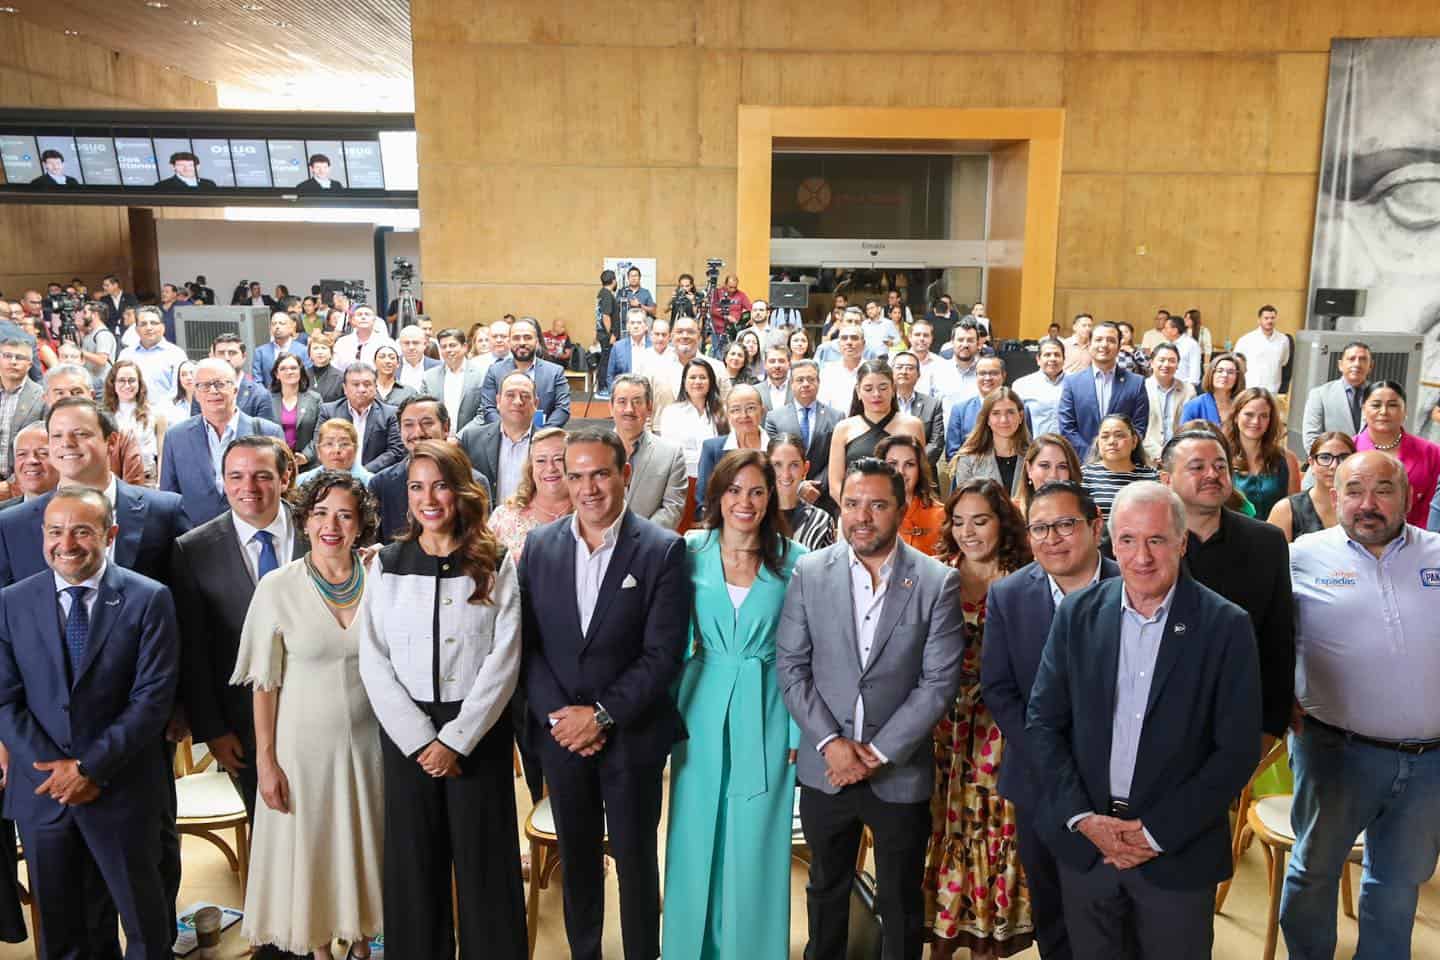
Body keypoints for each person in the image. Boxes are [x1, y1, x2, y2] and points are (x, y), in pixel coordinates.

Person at [1027, 482, 1262, 959]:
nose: (1142, 556)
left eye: (1156, 540)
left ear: (1181, 542)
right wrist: (1084, 820)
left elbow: (1236, 752)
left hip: (1176, 854)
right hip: (1088, 847)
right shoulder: (1077, 614)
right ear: (1110, 542)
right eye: (1128, 540)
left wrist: (1154, 833)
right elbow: (1044, 723)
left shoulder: (1226, 626)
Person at [777, 457, 965, 960]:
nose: (863, 516)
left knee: (901, 900)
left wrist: (875, 754)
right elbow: (792, 667)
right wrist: (831, 745)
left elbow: (938, 684)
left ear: (902, 510)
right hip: (826, 769)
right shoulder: (810, 572)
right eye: (853, 504)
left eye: (878, 505)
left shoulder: (935, 581)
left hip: (898, 772)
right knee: (825, 889)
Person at [518, 428, 689, 960]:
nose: (588, 488)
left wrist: (601, 716)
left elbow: (663, 655)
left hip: (632, 737)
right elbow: (525, 645)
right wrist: (560, 719)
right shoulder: (540, 546)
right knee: (579, 860)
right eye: (576, 475)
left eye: (599, 474)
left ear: (624, 475)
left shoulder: (663, 550)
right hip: (561, 739)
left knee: (637, 862)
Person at [359, 441, 527, 960]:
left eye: (439, 485)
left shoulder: (494, 559)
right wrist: (419, 741)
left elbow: (505, 658)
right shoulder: (387, 563)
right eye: (416, 487)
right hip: (407, 736)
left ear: (461, 491)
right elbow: (373, 659)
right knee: (414, 868)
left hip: (477, 732)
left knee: (485, 866)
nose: (428, 498)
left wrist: (455, 740)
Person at [0, 487, 179, 960]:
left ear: (110, 534)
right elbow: (4, 700)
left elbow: (151, 701)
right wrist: (58, 774)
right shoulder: (10, 603)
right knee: (63, 936)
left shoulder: (149, 598)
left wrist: (88, 769)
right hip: (44, 796)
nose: (67, 543)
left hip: (121, 789)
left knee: (145, 928)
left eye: (82, 530)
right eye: (55, 531)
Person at [1282, 450, 1440, 959]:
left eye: (1383, 490)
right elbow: (1262, 636)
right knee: (1313, 874)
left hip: (1430, 763)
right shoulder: (1301, 555)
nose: (1367, 504)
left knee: (1397, 883)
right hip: (1335, 752)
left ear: (1410, 498)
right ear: (1334, 496)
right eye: (1353, 491)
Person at [231, 472, 383, 959]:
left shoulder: (382, 578)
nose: (330, 525)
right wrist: (267, 763)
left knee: (365, 850)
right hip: (301, 753)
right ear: (304, 522)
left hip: (372, 747)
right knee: (314, 851)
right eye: (319, 514)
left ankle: (362, 947)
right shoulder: (277, 587)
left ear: (360, 525)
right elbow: (264, 685)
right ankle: (319, 951)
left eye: (344, 514)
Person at [663, 449, 803, 960]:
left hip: (769, 707)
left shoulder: (795, 561)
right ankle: (686, 948)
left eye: (757, 491)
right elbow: (673, 642)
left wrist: (797, 733)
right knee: (696, 832)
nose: (745, 502)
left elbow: (802, 654)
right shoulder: (689, 550)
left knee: (757, 841)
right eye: (734, 490)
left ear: (771, 498)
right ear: (717, 496)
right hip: (699, 704)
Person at [982, 480, 1120, 960]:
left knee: (1115, 915)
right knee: (1053, 911)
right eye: (1039, 528)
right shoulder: (1009, 596)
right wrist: (1051, 759)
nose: (1052, 538)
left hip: (1121, 786)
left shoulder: (1138, 585)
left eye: (1065, 525)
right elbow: (999, 690)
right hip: (1040, 785)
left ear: (1095, 527)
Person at [926, 477, 1034, 957]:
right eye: (960, 521)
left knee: (995, 828)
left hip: (1002, 727)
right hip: (942, 723)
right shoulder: (934, 575)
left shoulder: (1028, 578)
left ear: (1003, 523)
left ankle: (991, 933)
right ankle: (942, 930)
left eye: (981, 520)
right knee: (942, 825)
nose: (969, 531)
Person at [171, 435, 303, 821]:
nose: (249, 488)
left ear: (285, 477)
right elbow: (194, 650)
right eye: (236, 476)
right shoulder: (192, 549)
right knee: (268, 830)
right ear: (223, 481)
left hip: (325, 713)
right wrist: (213, 730)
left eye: (262, 475)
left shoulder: (320, 530)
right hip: (240, 726)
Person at [1157, 429, 1296, 750]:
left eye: (1220, 466)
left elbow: (1279, 641)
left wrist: (1271, 727)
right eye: (1197, 467)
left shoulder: (1267, 543)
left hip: (1235, 720)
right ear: (1166, 479)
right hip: (1151, 719)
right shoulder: (1140, 543)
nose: (1212, 475)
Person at [160, 358, 286, 528]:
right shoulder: (176, 437)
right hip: (195, 540)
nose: (213, 391)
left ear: (235, 389)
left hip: (255, 535)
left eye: (220, 384)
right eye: (204, 385)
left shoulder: (267, 432)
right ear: (195, 393)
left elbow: (283, 492)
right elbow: (169, 499)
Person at [370, 395, 491, 541]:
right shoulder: (381, 484)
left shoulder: (474, 481)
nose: (418, 432)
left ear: (445, 427)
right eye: (409, 425)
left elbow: (480, 542)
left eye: (427, 423)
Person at [828, 359, 927, 503]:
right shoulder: (843, 429)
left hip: (902, 512)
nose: (876, 394)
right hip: (854, 514)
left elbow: (920, 478)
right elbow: (835, 485)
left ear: (893, 389)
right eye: (868, 389)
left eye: (883, 388)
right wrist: (856, 511)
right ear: (858, 392)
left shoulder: (913, 425)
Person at [1058, 321, 1149, 463]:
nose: (1104, 345)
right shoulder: (1072, 383)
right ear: (1089, 345)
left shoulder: (1136, 383)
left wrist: (1116, 453)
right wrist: (1093, 454)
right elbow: (1067, 427)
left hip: (1122, 465)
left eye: (1111, 340)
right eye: (1098, 340)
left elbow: (1139, 427)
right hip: (1083, 464)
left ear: (1119, 347)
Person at [1354, 379, 1440, 526]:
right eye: (1376, 405)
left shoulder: (1432, 453)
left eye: (1393, 405)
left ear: (1405, 411)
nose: (1384, 411)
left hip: (1417, 540)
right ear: (1363, 409)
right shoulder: (1347, 448)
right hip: (1356, 538)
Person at [763, 359, 841, 516]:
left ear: (818, 382)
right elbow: (772, 459)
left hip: (823, 499)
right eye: (800, 380)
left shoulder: (836, 417)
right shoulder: (774, 418)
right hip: (786, 497)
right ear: (791, 384)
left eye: (811, 379)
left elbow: (835, 459)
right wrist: (800, 486)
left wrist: (815, 487)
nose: (805, 384)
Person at [610, 374, 687, 530]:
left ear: (650, 407)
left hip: (648, 546)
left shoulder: (671, 454)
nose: (629, 409)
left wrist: (638, 539)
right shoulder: (594, 451)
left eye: (637, 402)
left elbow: (672, 509)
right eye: (622, 401)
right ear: (611, 407)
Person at [657, 359, 725, 525]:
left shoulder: (723, 412)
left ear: (711, 382)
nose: (697, 382)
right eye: (692, 377)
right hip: (682, 483)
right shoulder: (672, 412)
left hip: (716, 484)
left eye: (703, 377)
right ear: (684, 382)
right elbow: (670, 452)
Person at [487, 426, 570, 558]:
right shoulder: (504, 517)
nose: (550, 468)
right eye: (541, 460)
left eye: (559, 459)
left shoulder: (589, 515)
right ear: (531, 467)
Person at [309, 363, 405, 473]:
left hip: (375, 477)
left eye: (367, 384)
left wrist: (361, 473)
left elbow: (395, 451)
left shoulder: (390, 413)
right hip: (335, 476)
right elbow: (320, 445)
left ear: (375, 387)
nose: (362, 389)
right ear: (345, 388)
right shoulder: (329, 411)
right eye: (355, 384)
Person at [1222, 387, 1301, 521]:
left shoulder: (1287, 459)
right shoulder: (1221, 458)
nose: (1256, 421)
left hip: (1273, 538)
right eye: (1249, 414)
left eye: (1263, 416)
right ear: (1236, 416)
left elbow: (1294, 513)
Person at [458, 371, 537, 502]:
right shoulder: (472, 440)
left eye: (525, 395)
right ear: (498, 401)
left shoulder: (548, 444)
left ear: (536, 403)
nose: (518, 401)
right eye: (510, 395)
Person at [478, 317, 571, 427]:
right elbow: (488, 408)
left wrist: (542, 434)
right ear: (509, 341)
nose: (522, 343)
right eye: (516, 338)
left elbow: (562, 409)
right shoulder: (494, 371)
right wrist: (508, 432)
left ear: (536, 341)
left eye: (527, 338)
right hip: (503, 437)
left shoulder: (555, 372)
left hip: (543, 437)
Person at [695, 384, 769, 522]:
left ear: (762, 410)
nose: (744, 415)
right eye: (735, 410)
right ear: (728, 414)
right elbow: (703, 503)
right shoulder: (713, 449)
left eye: (751, 408)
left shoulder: (776, 449)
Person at [1268, 432, 1356, 540]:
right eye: (1324, 458)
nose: (1334, 466)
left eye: (1343, 457)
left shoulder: (1363, 506)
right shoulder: (1286, 510)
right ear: (1311, 463)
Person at [951, 387, 1033, 500]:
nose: (1004, 420)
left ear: (1021, 416)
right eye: (996, 413)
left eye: (1010, 412)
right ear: (987, 419)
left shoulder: (1034, 456)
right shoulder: (968, 460)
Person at [103, 359, 169, 485]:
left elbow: (162, 455)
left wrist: (161, 484)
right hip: (113, 481)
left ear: (139, 383)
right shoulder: (103, 415)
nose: (127, 385)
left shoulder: (156, 414)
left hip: (147, 479)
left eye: (132, 380)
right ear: (113, 383)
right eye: (121, 380)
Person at [878, 433, 944, 555]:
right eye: (893, 464)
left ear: (920, 469)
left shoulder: (941, 514)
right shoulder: (866, 514)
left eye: (909, 464)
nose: (901, 472)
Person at [1080, 413, 1159, 516]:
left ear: (1134, 441)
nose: (1112, 441)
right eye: (1105, 436)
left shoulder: (1152, 476)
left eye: (1119, 435)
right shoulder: (1083, 475)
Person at [767, 433, 834, 550]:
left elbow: (828, 566)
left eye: (794, 465)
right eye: (777, 465)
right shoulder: (757, 515)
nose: (785, 474)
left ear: (805, 468)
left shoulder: (821, 520)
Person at [0, 333, 46, 501]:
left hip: (22, 488)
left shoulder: (41, 398)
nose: (13, 361)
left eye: (19, 357)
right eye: (7, 356)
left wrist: (11, 485)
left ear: (29, 364)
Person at [1300, 340, 1372, 447]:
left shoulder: (1379, 394)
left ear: (1370, 366)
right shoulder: (1319, 394)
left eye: (1363, 359)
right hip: (1331, 461)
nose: (1357, 364)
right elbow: (1311, 440)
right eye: (1351, 359)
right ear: (1340, 365)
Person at [117, 306, 188, 401]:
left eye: (154, 323)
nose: (149, 328)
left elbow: (183, 391)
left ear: (163, 327)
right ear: (136, 330)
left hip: (166, 413)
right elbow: (117, 385)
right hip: (132, 412)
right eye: (143, 324)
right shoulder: (126, 355)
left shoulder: (176, 354)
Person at [891, 351, 945, 472]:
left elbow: (936, 444)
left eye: (910, 368)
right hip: (888, 473)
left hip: (923, 472)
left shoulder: (932, 404)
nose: (904, 371)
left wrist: (913, 465)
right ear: (891, 372)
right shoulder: (881, 403)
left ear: (918, 374)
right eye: (899, 367)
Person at [423, 327, 486, 430]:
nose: (448, 350)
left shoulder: (481, 375)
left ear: (465, 347)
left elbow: (483, 411)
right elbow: (424, 411)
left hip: (470, 439)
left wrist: (460, 438)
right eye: (444, 346)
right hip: (438, 439)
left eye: (452, 345)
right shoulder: (429, 377)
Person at [267, 353, 323, 469]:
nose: (289, 372)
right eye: (283, 369)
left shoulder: (315, 399)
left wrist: (306, 455)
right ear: (277, 374)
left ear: (300, 372)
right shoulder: (267, 399)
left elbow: (320, 433)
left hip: (307, 465)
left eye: (293, 368)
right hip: (275, 464)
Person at [1141, 341, 1194, 463]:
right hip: (1146, 457)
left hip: (1179, 457)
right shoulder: (1141, 388)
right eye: (1162, 360)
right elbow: (1137, 426)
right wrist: (1156, 452)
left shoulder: (1188, 391)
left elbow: (1189, 427)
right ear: (1152, 363)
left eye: (1172, 360)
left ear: (1177, 365)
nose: (1166, 364)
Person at [1012, 337, 1067, 438]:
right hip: (1035, 448)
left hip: (1068, 449)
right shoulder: (1022, 385)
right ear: (1038, 359)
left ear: (1064, 359)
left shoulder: (1074, 383)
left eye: (1057, 355)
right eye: (1047, 355)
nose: (1052, 358)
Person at [1018, 434, 1084, 517]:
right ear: (1029, 469)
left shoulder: (1087, 512)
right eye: (1044, 465)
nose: (1053, 475)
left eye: (1062, 467)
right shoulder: (1010, 513)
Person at [297, 419, 373, 487]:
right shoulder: (301, 482)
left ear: (355, 449)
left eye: (344, 444)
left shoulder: (373, 484)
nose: (336, 450)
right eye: (329, 444)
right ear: (318, 450)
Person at [0, 421, 58, 510]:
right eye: (22, 454)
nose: (32, 460)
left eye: (43, 453)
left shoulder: (80, 512)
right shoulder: (3, 514)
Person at [1233, 305, 1290, 394]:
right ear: (1259, 320)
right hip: (1250, 388)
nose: (1270, 321)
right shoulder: (1246, 339)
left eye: (1272, 318)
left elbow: (1284, 361)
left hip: (1272, 389)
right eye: (1266, 318)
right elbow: (1236, 362)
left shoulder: (1284, 340)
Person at [1179, 352, 1245, 426]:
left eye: (1230, 372)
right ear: (1211, 374)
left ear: (1238, 377)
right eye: (1220, 371)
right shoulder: (1194, 406)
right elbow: (1183, 436)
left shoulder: (1242, 405)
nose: (1224, 375)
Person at [816, 320, 869, 412]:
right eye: (844, 338)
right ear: (839, 344)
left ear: (863, 344)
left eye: (854, 338)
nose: (849, 342)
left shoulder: (872, 371)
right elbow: (822, 405)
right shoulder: (828, 371)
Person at [252, 311, 311, 390]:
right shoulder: (260, 352)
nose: (277, 326)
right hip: (269, 398)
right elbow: (257, 381)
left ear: (291, 327)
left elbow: (307, 377)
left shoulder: (303, 350)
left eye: (281, 323)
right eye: (274, 324)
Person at [332, 304, 395, 370]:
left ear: (374, 320)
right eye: (359, 315)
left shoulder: (387, 343)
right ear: (352, 320)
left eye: (367, 314)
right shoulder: (342, 343)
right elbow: (336, 368)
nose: (363, 317)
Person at [607, 309, 652, 385]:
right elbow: (610, 376)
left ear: (646, 326)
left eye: (639, 323)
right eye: (632, 323)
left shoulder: (653, 346)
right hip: (625, 394)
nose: (635, 326)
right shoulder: (617, 347)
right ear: (627, 327)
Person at [1164, 314, 1203, 388]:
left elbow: (1195, 374)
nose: (1163, 331)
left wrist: (1188, 391)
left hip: (1183, 388)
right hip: (1168, 387)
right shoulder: (1167, 344)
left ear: (1175, 330)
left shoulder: (1191, 345)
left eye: (1166, 328)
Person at [306, 334, 346, 403]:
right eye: (315, 348)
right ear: (309, 354)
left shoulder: (340, 378)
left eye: (324, 348)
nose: (320, 352)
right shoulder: (302, 376)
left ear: (331, 353)